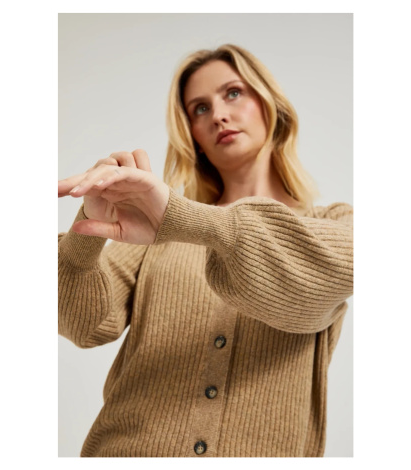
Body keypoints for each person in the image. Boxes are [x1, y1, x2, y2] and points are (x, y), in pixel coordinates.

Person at [58, 44, 353, 458]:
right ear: (192, 136)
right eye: (199, 108)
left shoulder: (335, 222)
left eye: (233, 93)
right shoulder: (153, 235)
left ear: (270, 104)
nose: (217, 115)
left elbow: (339, 269)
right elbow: (84, 326)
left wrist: (184, 217)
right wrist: (86, 232)